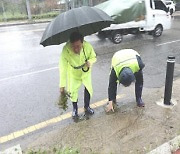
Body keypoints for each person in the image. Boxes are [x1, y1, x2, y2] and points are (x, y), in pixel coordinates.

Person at [59, 32, 97, 118]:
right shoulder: (66, 50)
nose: (76, 49)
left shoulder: (87, 46)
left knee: (88, 88)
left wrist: (90, 62)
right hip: (74, 73)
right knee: (73, 91)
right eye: (73, 46)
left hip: (85, 72)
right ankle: (75, 109)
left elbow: (94, 57)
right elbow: (63, 68)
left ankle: (87, 106)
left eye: (78, 46)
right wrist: (62, 85)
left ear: (82, 43)